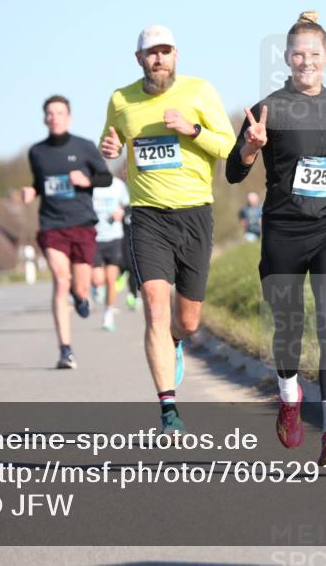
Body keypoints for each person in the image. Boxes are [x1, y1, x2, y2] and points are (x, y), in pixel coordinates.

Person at [226, 12, 326, 466]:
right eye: (299, 53)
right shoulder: (268, 107)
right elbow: (234, 172)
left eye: (314, 53)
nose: (306, 61)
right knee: (289, 327)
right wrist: (252, 146)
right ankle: (289, 396)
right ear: (287, 57)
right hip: (284, 231)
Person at [100, 25, 236, 435]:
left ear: (177, 55)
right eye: (151, 52)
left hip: (195, 213)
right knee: (155, 310)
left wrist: (191, 130)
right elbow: (110, 149)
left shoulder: (200, 92)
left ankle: (176, 340)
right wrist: (107, 152)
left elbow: (230, 146)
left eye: (166, 51)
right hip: (147, 217)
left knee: (188, 322)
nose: (159, 58)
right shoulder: (121, 99)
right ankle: (168, 410)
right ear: (139, 58)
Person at [23, 94, 113, 369]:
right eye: (49, 113)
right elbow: (39, 183)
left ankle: (81, 296)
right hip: (52, 225)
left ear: (69, 117)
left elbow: (106, 178)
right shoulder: (36, 152)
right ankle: (65, 350)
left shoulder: (84, 147)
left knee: (81, 287)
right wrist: (32, 191)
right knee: (61, 281)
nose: (54, 117)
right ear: (44, 118)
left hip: (82, 224)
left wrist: (86, 179)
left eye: (59, 112)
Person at [91, 169, 130, 331]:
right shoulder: (90, 185)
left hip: (114, 238)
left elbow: (128, 205)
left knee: (111, 280)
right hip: (94, 237)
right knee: (98, 279)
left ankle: (108, 316)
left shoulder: (118, 185)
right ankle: (96, 288)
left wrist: (121, 212)